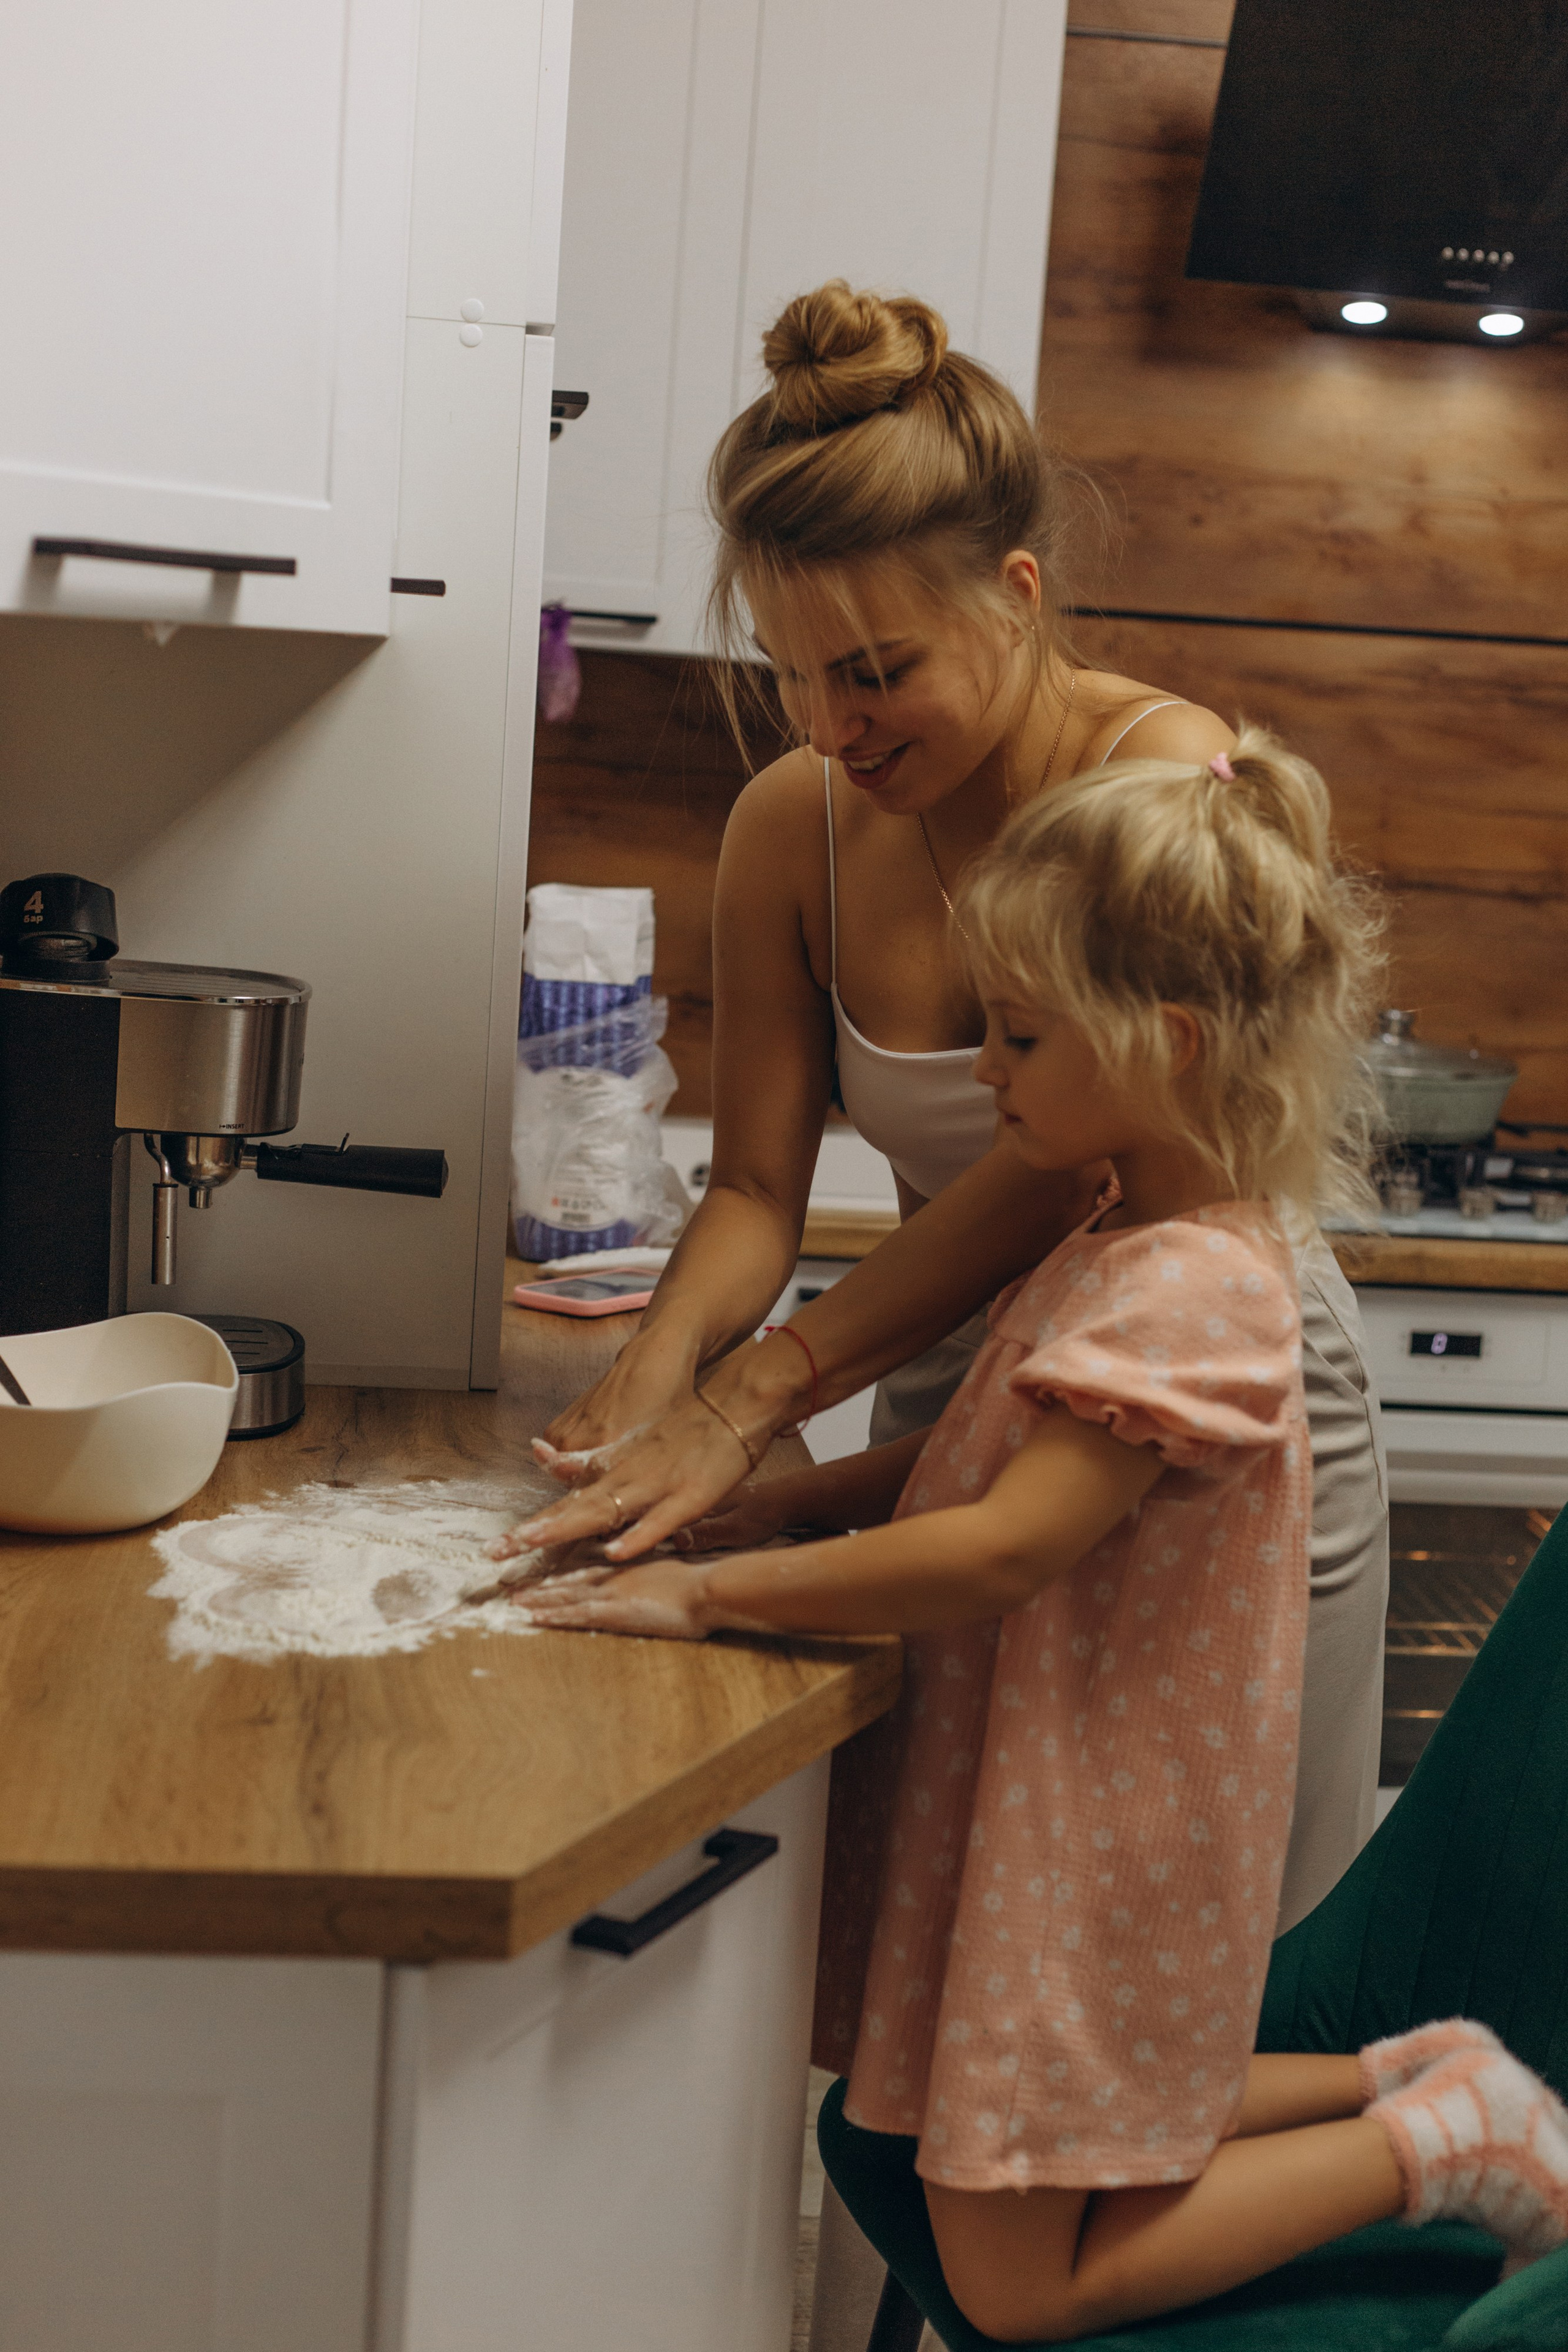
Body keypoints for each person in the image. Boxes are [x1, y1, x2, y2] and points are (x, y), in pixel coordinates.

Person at [505, 736, 1568, 2340]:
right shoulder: (1121, 1220)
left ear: (1167, 1042)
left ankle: (1441, 2143)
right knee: (985, 2134)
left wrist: (712, 1591)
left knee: (1013, 2292)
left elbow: (1005, 1541)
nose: (983, 1074)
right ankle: (1407, 2076)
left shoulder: (1199, 1285)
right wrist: (773, 1498)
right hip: (1036, 1804)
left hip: (1095, 1842)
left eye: (1016, 1033)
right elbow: (989, 1439)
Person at [507, 280, 1387, 1942]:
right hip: (957, 1393)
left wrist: (769, 1386)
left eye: (877, 669)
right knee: (986, 1927)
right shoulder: (794, 823)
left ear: (1019, 593)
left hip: (1205, 1406)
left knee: (1221, 1937)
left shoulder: (1155, 778)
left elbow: (1074, 1188)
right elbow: (759, 1184)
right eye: (790, 676)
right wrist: (662, 1372)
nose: (834, 727)